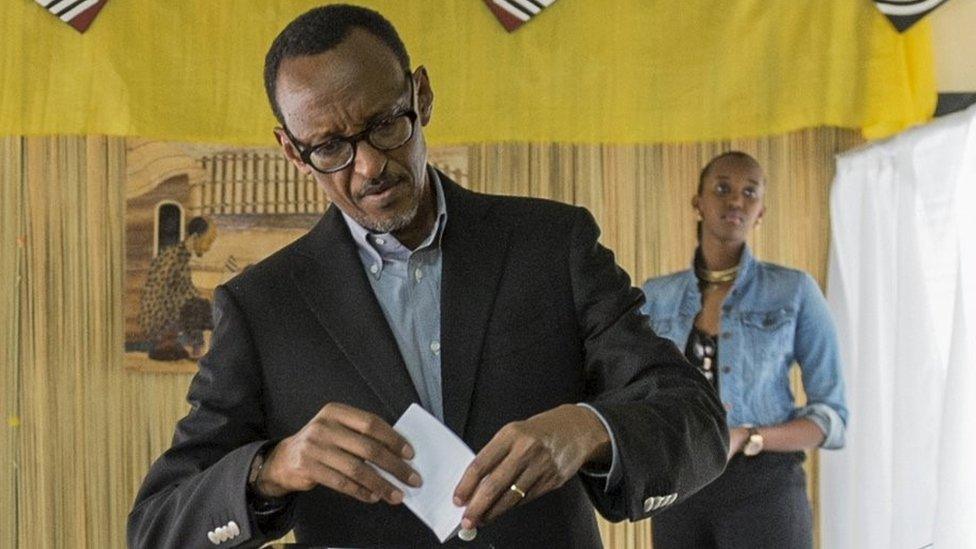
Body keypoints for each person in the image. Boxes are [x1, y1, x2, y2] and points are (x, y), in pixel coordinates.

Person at [127, 5, 728, 548]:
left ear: (422, 94)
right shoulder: (262, 306)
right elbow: (156, 528)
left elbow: (697, 423)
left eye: (386, 125)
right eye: (330, 148)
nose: (368, 167)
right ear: (291, 151)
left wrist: (587, 428)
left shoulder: (552, 246)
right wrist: (273, 468)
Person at [640, 151, 848, 548]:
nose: (736, 201)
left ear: (761, 211)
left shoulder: (794, 290)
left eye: (749, 192)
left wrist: (749, 436)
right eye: (722, 189)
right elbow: (634, 390)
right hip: (680, 485)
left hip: (765, 486)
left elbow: (832, 417)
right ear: (698, 202)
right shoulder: (656, 295)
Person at [139, 216, 217, 361]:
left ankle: (197, 348)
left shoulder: (181, 256)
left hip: (168, 314)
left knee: (205, 306)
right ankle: (197, 350)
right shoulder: (173, 257)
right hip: (159, 318)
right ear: (195, 237)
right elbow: (163, 295)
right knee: (197, 306)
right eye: (208, 241)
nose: (208, 247)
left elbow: (185, 290)